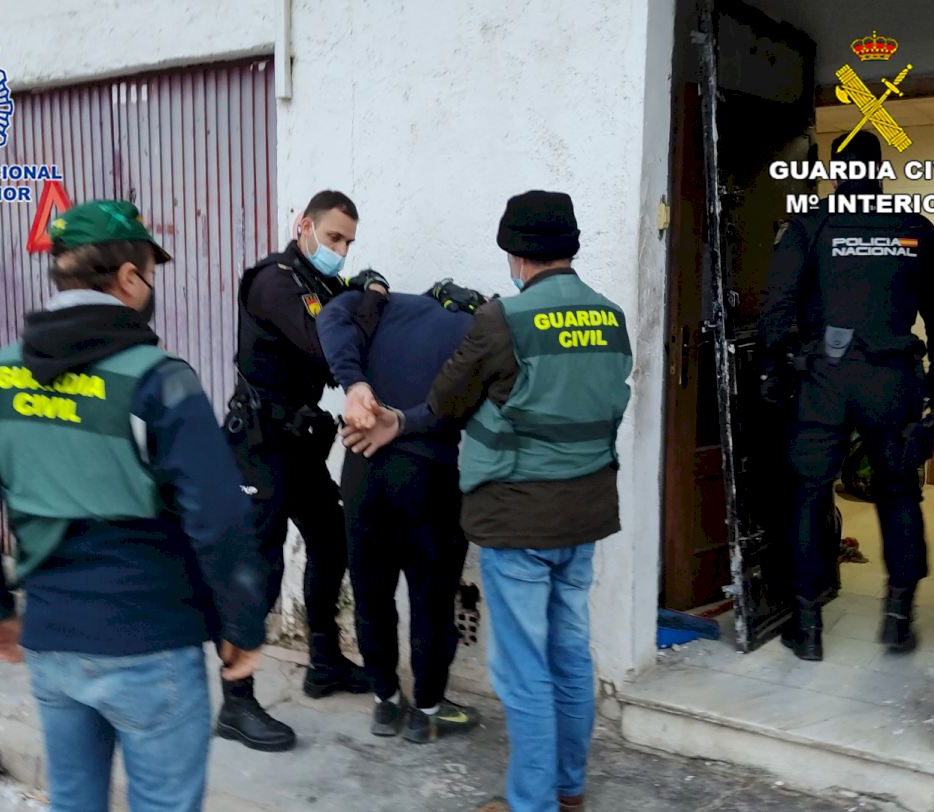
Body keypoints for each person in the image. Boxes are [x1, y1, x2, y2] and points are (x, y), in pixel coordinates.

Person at [0, 200, 269, 812]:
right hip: (152, 647)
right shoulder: (159, 381)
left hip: (53, 645)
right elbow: (219, 518)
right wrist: (241, 626)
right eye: (151, 276)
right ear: (130, 280)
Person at [341, 191, 632, 812]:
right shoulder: (611, 316)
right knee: (569, 655)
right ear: (572, 247)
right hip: (584, 516)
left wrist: (395, 421)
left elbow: (447, 400)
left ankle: (532, 802)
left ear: (513, 253)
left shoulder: (505, 320)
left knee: (524, 669)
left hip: (517, 519)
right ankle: (568, 789)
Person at [759, 130, 934, 661]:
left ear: (835, 171)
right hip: (893, 380)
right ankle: (898, 616)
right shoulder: (914, 228)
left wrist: (776, 368)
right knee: (899, 494)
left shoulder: (810, 225)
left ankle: (808, 627)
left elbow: (776, 305)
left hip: (825, 379)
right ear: (880, 166)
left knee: (807, 495)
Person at [218, 190, 390, 752]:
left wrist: (368, 296)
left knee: (330, 540)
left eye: (348, 243)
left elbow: (355, 341)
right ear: (305, 226)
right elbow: (325, 346)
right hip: (257, 446)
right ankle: (236, 704)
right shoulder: (274, 282)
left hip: (297, 442)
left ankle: (324, 662)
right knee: (258, 572)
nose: (340, 250)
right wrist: (369, 294)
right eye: (334, 237)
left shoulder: (324, 286)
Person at [317, 280, 490, 743]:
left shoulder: (382, 305)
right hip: (429, 477)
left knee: (371, 595)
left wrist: (354, 384)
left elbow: (329, 315)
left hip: (362, 469)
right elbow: (466, 407)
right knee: (432, 601)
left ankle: (386, 702)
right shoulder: (478, 328)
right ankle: (428, 710)